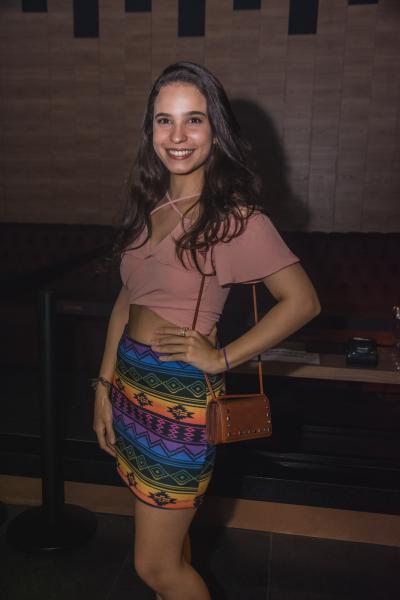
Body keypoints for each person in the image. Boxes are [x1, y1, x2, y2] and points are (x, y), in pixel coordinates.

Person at [92, 61, 321, 600]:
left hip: (180, 395)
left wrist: (221, 358)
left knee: (154, 567)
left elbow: (303, 302)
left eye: (193, 120)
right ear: (150, 131)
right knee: (171, 548)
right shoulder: (151, 207)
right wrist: (103, 386)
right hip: (130, 384)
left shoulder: (235, 219)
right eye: (164, 120)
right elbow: (127, 300)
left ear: (216, 130)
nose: (177, 136)